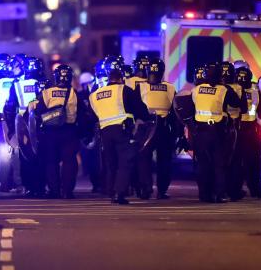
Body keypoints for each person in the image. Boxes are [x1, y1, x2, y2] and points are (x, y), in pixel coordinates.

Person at [89, 60, 150, 205]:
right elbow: (139, 108)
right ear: (121, 78)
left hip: (105, 132)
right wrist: (146, 118)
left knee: (111, 163)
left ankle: (111, 191)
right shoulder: (124, 90)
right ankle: (119, 193)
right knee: (125, 162)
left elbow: (93, 115)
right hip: (122, 130)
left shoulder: (95, 94)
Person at [190, 63, 245, 203]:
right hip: (217, 132)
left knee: (202, 164)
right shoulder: (223, 90)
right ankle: (219, 194)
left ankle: (204, 194)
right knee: (218, 164)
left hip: (200, 132)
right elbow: (238, 104)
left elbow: (192, 106)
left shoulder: (197, 89)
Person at [33, 65, 86, 199]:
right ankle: (67, 191)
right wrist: (81, 132)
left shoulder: (46, 93)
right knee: (70, 162)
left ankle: (54, 190)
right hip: (69, 131)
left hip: (50, 132)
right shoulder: (75, 94)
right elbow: (82, 115)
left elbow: (38, 113)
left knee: (51, 162)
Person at [136, 58, 177, 199]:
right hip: (161, 127)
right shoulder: (170, 88)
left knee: (145, 159)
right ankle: (160, 190)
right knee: (163, 160)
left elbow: (135, 109)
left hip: (149, 127)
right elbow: (174, 112)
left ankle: (146, 189)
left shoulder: (140, 87)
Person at [5, 57, 45, 197]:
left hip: (23, 125)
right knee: (43, 157)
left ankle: (29, 187)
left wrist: (11, 128)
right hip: (42, 124)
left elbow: (9, 108)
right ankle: (42, 187)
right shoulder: (45, 83)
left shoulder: (17, 85)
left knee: (26, 157)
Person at [221, 61, 246, 201]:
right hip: (234, 127)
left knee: (220, 161)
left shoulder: (217, 87)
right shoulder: (238, 88)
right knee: (235, 161)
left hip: (219, 127)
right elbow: (243, 107)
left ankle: (220, 190)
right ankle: (234, 191)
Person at [236, 66, 261, 198]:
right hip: (251, 129)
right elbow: (260, 110)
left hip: (238, 128)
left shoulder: (233, 90)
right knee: (253, 162)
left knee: (238, 162)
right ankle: (255, 190)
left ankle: (236, 190)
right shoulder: (255, 91)